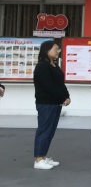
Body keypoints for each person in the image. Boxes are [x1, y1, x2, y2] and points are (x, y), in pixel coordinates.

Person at [32, 40, 71, 170]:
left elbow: (60, 84)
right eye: (55, 49)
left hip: (55, 103)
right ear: (46, 50)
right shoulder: (42, 66)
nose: (58, 51)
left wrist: (67, 97)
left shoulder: (54, 65)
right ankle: (38, 159)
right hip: (46, 103)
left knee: (50, 131)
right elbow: (48, 86)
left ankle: (43, 157)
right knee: (44, 130)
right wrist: (62, 98)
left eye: (58, 49)